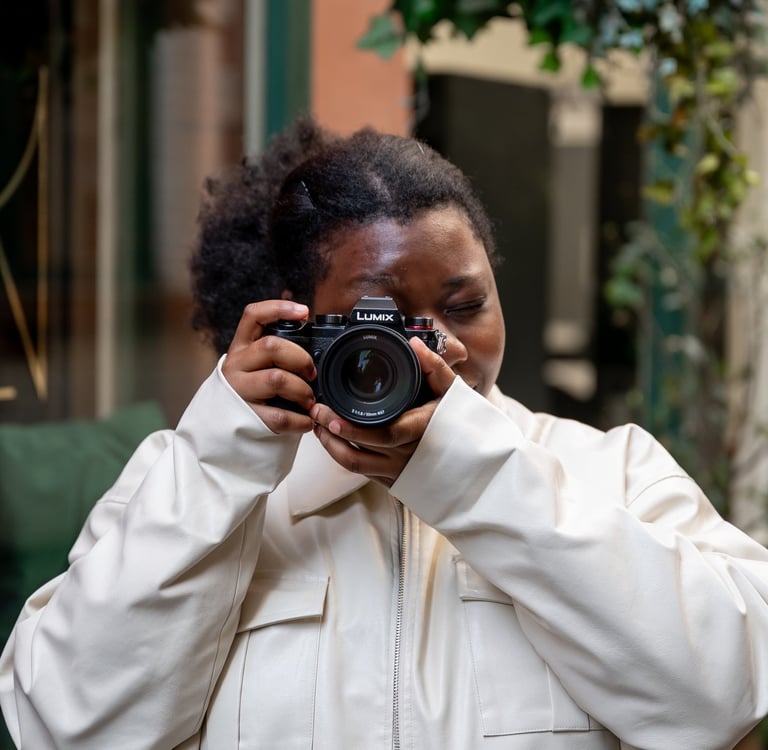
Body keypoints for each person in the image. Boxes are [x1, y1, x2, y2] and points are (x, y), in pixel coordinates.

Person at [2, 116, 768, 750]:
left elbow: (722, 699)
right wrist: (220, 460)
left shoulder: (613, 469)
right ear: (299, 320)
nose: (443, 347)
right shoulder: (192, 478)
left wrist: (473, 473)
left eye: (466, 305)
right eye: (389, 323)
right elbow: (67, 728)